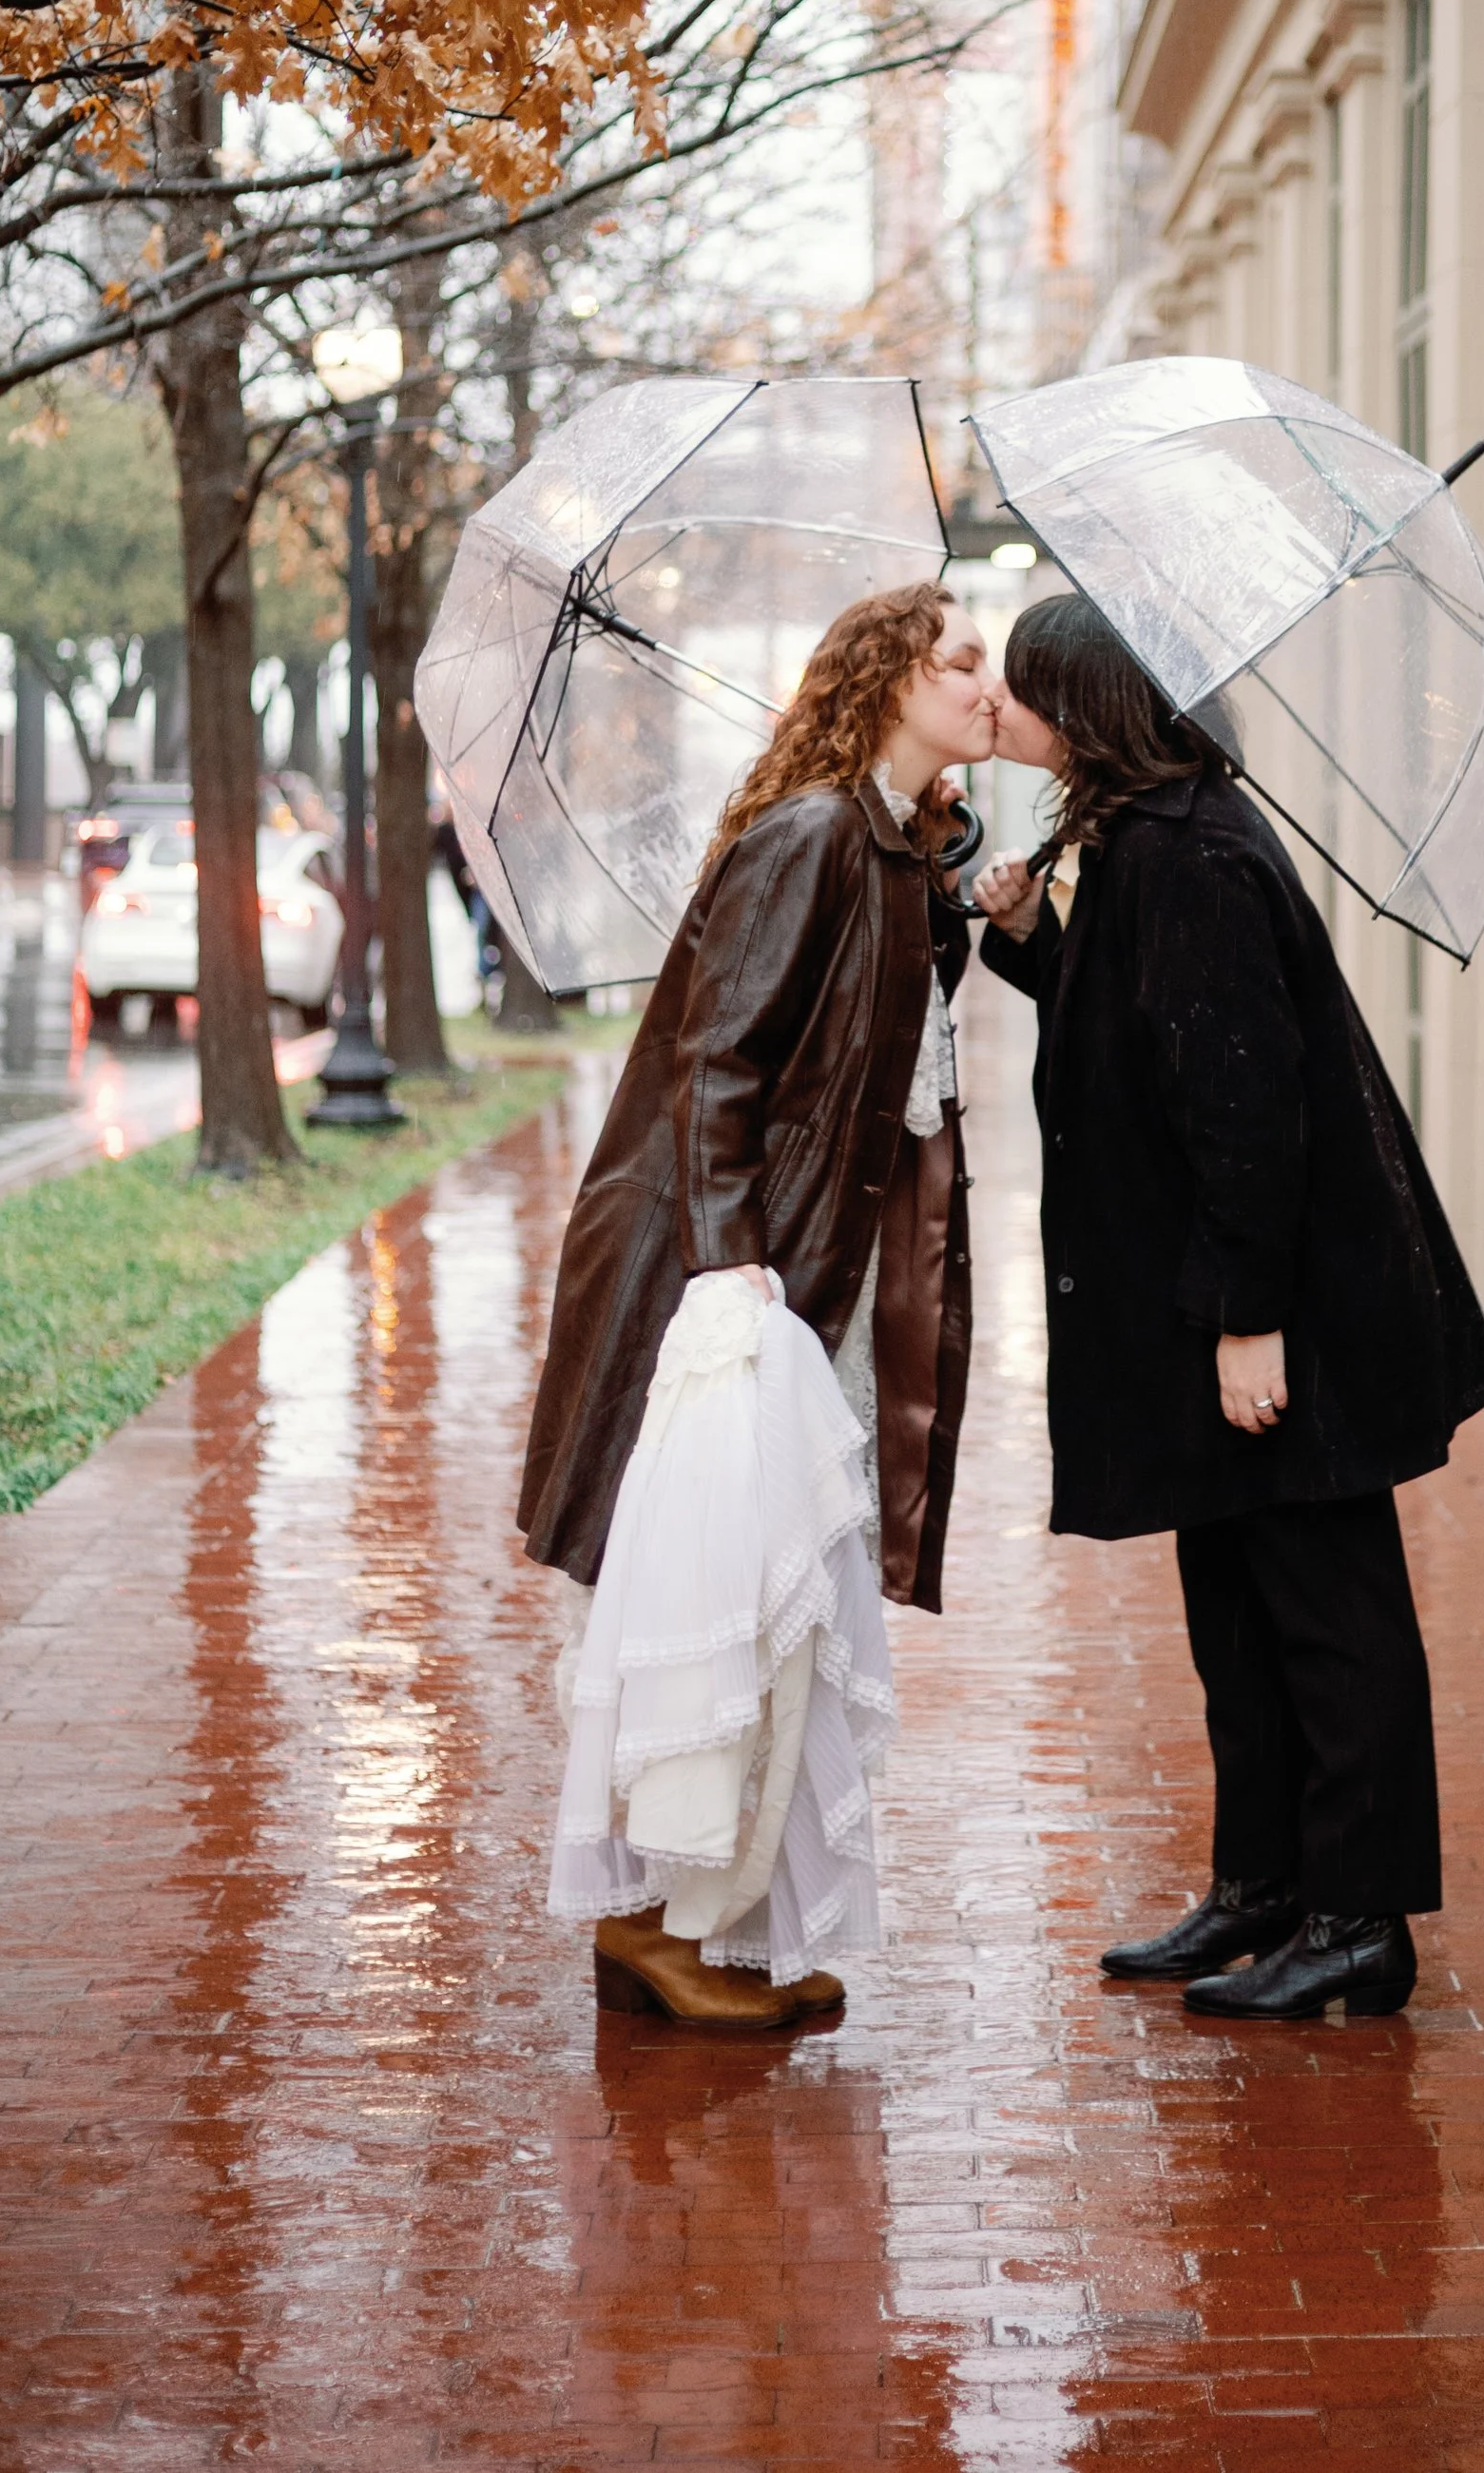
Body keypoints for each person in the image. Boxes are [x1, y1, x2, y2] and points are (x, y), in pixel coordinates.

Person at [975, 593, 1484, 2025]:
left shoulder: (1192, 855)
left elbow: (1247, 1110)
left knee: (1329, 1614)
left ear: (1084, 705)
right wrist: (1032, 940)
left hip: (1291, 1316)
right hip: (1232, 1297)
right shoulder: (1144, 842)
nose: (999, 711)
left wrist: (1246, 1315)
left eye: (1022, 689)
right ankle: (1267, 1882)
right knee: (1240, 1613)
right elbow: (1139, 1037)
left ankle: (1361, 1919)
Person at [521, 581, 994, 2029]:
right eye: (964, 660)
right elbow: (715, 1061)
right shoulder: (807, 836)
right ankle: (665, 1919)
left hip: (803, 1283)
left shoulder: (893, 847)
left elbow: (888, 1031)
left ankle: (705, 1912)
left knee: (779, 1601)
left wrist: (965, 876)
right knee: (726, 1601)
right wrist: (732, 1267)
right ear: (890, 676)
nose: (988, 684)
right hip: (746, 1285)